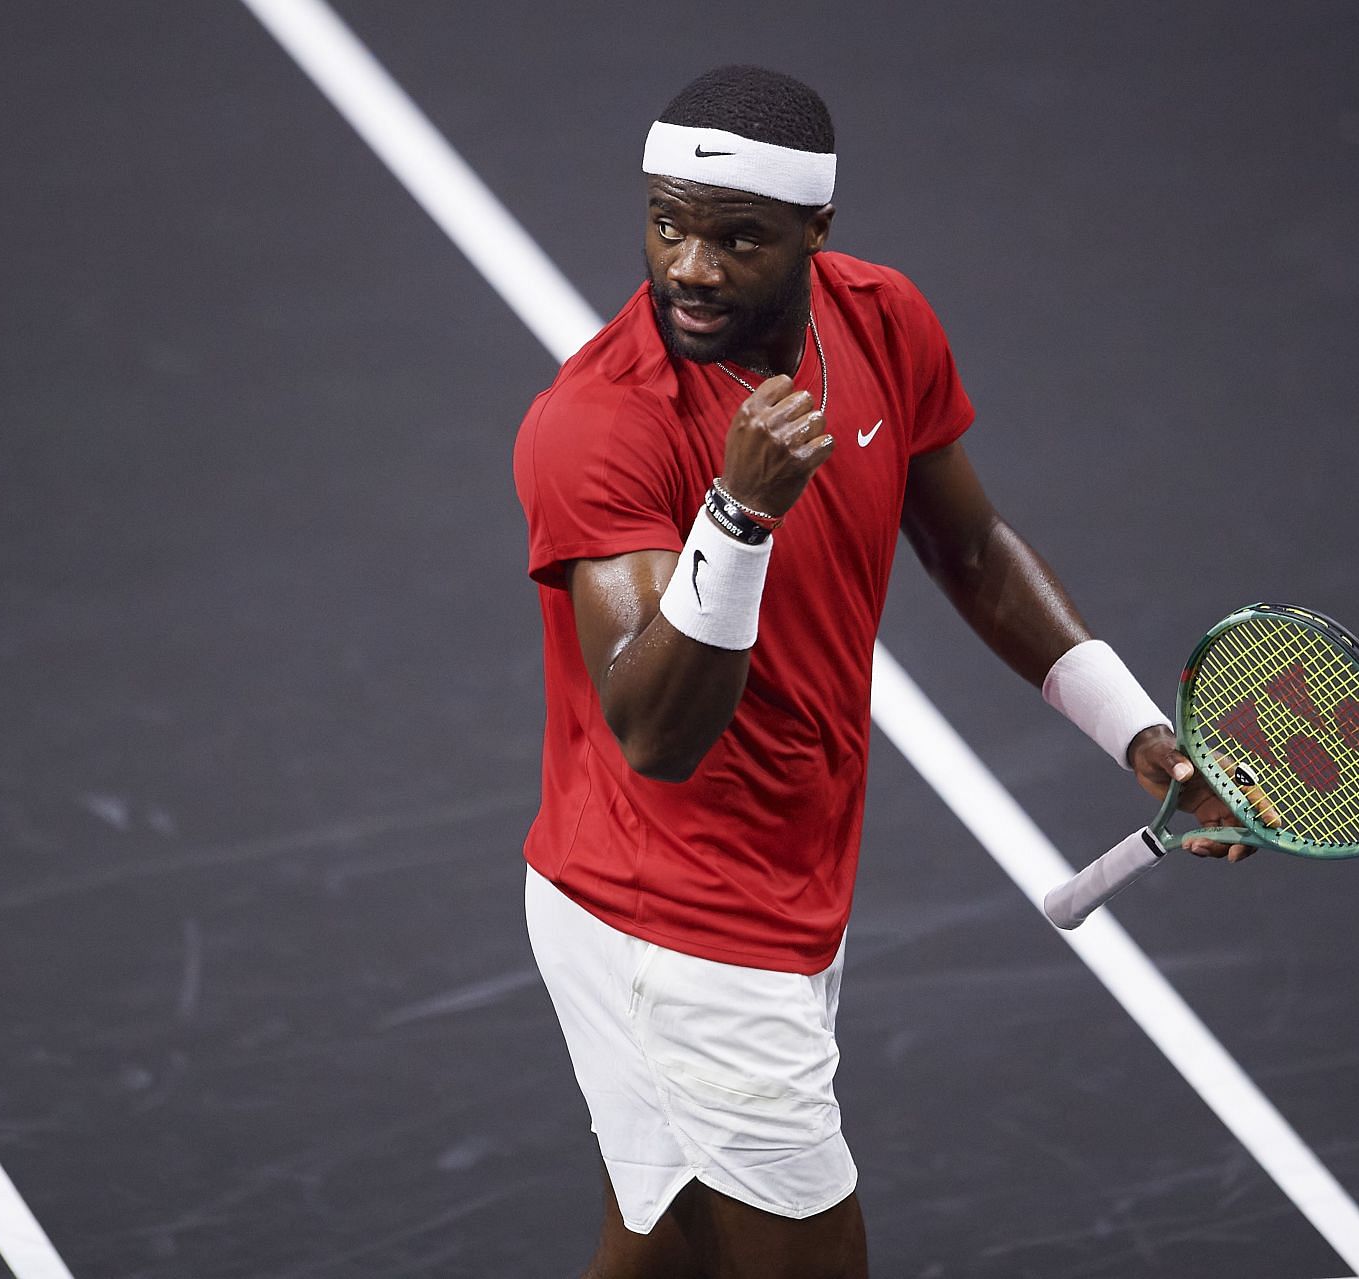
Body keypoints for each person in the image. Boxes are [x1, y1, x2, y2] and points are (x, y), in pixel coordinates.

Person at [512, 64, 1251, 1279]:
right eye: (666, 223)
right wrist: (739, 520)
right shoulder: (601, 425)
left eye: (735, 237)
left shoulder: (883, 321)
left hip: (786, 880)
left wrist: (1139, 737)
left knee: (670, 1255)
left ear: (817, 234)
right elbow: (656, 731)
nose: (690, 265)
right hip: (671, 923)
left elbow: (970, 546)